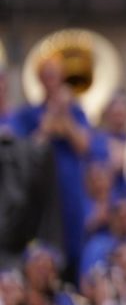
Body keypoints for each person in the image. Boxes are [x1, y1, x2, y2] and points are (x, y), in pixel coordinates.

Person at [13, 57, 93, 282]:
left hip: (69, 191)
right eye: (46, 75)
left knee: (73, 245)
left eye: (55, 74)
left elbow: (83, 145)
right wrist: (50, 119)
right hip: (40, 192)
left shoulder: (75, 112)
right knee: (42, 247)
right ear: (39, 79)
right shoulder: (27, 113)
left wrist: (64, 116)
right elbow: (29, 148)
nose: (51, 80)